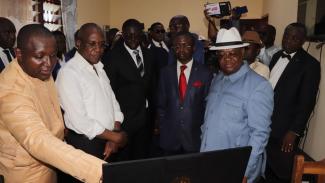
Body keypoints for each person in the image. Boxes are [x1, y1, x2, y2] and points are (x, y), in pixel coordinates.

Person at [0, 24, 106, 183]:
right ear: (19, 54)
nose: (49, 64)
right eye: (39, 56)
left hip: (50, 164)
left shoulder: (39, 71)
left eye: (53, 55)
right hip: (25, 173)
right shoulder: (10, 90)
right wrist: (98, 170)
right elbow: (38, 140)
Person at [200, 27, 274, 183]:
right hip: (209, 161)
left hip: (235, 167)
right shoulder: (218, 79)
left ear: (242, 52)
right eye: (221, 55)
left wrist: (245, 171)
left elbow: (259, 135)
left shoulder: (258, 86)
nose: (226, 59)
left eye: (232, 53)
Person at [266, 23, 321, 183]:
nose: (288, 41)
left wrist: (294, 132)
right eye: (286, 36)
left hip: (285, 130)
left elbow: (307, 102)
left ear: (303, 41)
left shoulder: (310, 65)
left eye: (294, 38)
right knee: (267, 167)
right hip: (266, 121)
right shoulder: (276, 56)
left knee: (282, 172)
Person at [104, 19, 154, 161]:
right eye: (128, 35)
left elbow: (151, 85)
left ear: (141, 34)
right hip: (125, 121)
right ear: (123, 35)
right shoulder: (113, 57)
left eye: (136, 35)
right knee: (125, 162)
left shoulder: (149, 54)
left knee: (142, 159)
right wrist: (115, 126)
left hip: (146, 119)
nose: (132, 39)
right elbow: (110, 92)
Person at [157, 31, 212, 155]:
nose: (181, 49)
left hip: (194, 138)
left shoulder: (205, 73)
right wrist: (163, 127)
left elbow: (207, 105)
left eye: (186, 45)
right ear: (173, 49)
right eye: (177, 46)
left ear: (193, 48)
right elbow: (161, 104)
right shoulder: (165, 72)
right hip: (170, 138)